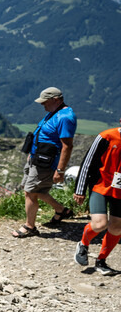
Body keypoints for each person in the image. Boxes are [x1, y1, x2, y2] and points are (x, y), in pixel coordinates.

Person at [13, 87, 76, 238]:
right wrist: (31, 153)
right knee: (36, 190)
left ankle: (30, 227)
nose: (42, 105)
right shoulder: (55, 112)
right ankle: (61, 210)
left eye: (45, 102)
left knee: (31, 192)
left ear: (56, 100)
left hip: (46, 163)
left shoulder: (65, 117)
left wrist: (60, 170)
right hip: (37, 159)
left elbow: (67, 146)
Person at [73, 116, 121, 275]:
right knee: (100, 224)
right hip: (100, 186)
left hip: (120, 191)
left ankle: (101, 261)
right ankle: (83, 243)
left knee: (117, 227)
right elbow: (87, 163)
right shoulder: (106, 137)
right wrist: (80, 189)